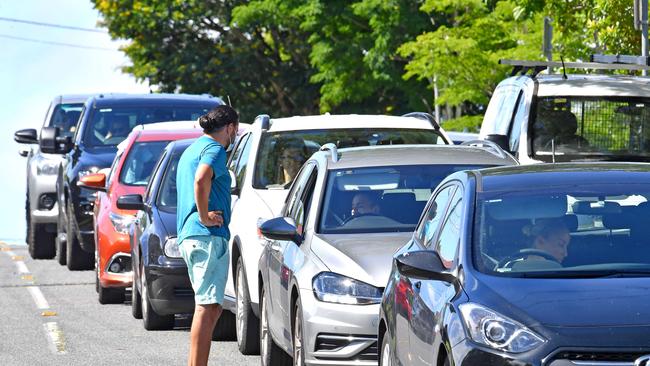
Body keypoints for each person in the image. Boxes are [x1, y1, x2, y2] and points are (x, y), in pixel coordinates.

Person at [175, 105, 239, 366]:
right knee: (207, 307)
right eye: (237, 128)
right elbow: (201, 180)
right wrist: (204, 216)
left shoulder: (192, 149)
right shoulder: (214, 149)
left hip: (192, 236)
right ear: (230, 128)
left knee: (211, 307)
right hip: (206, 236)